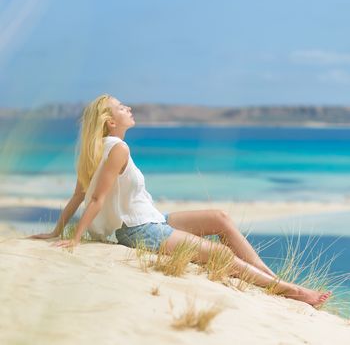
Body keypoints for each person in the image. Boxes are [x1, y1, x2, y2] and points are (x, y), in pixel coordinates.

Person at [29, 94, 331, 307]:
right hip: (140, 230)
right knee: (220, 255)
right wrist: (76, 238)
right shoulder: (118, 149)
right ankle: (289, 291)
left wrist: (58, 230)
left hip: (151, 219)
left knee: (220, 218)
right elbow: (94, 198)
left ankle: (271, 277)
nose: (129, 108)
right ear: (110, 121)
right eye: (122, 107)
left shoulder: (98, 148)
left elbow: (78, 195)